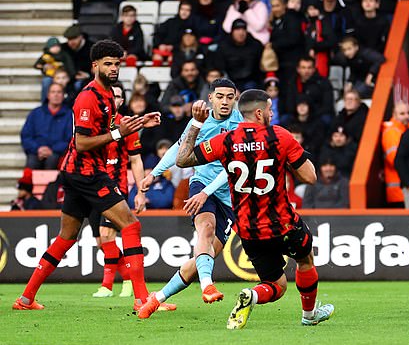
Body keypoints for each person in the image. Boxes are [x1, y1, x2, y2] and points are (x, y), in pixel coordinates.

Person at [13, 40, 162, 311]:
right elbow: (82, 142)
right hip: (87, 173)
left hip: (75, 173)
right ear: (95, 66)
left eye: (117, 63)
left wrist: (139, 122)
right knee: (131, 225)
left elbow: (110, 126)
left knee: (67, 236)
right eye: (108, 63)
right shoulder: (88, 97)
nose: (114, 68)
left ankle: (26, 298)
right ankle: (143, 300)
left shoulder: (107, 96)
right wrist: (119, 134)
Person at [175, 89, 335, 329]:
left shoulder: (225, 140)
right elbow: (310, 177)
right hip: (282, 224)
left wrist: (196, 123)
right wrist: (293, 155)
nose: (272, 114)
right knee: (305, 260)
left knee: (276, 285)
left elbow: (182, 160)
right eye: (270, 109)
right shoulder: (280, 136)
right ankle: (309, 314)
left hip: (249, 231)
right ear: (259, 113)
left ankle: (253, 294)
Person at [137, 78, 243, 318]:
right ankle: (208, 286)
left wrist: (208, 192)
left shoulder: (241, 126)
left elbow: (232, 170)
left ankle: (158, 297)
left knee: (200, 261)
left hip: (230, 196)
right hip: (202, 183)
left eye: (229, 96)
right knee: (205, 228)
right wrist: (153, 174)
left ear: (235, 98)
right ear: (211, 98)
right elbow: (178, 147)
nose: (225, 101)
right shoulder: (200, 121)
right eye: (220, 96)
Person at [89, 82, 150, 302]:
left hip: (115, 188)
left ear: (122, 101)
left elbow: (136, 159)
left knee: (107, 235)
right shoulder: (93, 123)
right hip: (91, 188)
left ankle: (107, 285)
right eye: (110, 95)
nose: (114, 99)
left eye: (118, 96)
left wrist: (140, 190)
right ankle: (126, 278)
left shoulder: (127, 125)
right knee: (101, 241)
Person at [21, 83, 74, 170]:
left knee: (52, 160)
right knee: (31, 163)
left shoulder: (69, 115)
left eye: (59, 92)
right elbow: (26, 135)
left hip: (57, 153)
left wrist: (53, 150)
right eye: (53, 92)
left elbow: (70, 139)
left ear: (63, 95)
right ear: (48, 95)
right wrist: (38, 149)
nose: (56, 95)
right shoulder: (36, 113)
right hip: (36, 151)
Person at [381, 102, 409, 207]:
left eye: (408, 113)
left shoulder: (408, 130)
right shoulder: (391, 133)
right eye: (402, 113)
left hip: (408, 189)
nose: (406, 116)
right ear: (394, 115)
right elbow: (395, 160)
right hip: (398, 192)